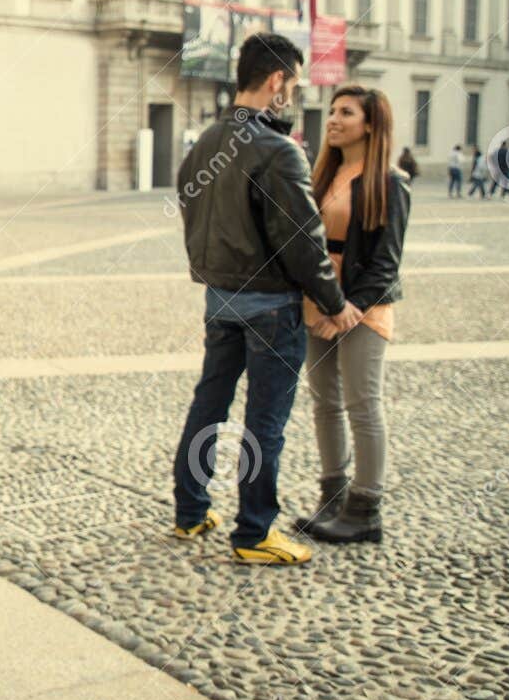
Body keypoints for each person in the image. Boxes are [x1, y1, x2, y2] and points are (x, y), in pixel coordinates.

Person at [170, 32, 360, 565]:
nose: (294, 94)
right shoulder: (279, 151)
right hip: (271, 305)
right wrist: (332, 298)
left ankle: (189, 511)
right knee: (265, 422)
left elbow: (190, 205)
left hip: (219, 298)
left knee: (209, 403)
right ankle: (254, 532)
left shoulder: (205, 142)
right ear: (276, 81)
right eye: (294, 83)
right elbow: (303, 239)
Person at [292, 87, 411, 544]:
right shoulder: (323, 175)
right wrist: (324, 301)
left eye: (347, 112)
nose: (334, 119)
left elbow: (387, 261)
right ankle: (332, 496)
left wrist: (350, 309)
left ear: (370, 123)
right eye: (333, 111)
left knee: (362, 404)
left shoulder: (389, 181)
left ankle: (365, 509)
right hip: (320, 301)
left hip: (363, 307)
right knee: (324, 403)